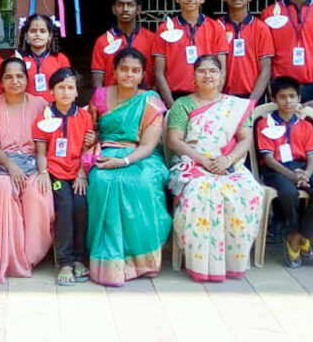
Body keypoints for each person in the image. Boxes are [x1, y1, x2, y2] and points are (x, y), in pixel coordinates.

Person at [165, 55, 263, 282]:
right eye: (202, 71)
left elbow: (245, 139)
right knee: (202, 191)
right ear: (194, 76)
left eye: (213, 71)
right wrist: (203, 160)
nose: (207, 75)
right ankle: (201, 261)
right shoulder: (183, 104)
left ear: (222, 76)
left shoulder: (236, 106)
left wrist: (227, 160)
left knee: (248, 190)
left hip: (229, 165)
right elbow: (175, 141)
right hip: (193, 164)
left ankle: (232, 260)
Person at [87, 48, 172, 286]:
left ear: (143, 74)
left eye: (135, 71)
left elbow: (148, 144)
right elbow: (90, 130)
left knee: (140, 183)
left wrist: (123, 161)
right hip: (105, 151)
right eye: (124, 69)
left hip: (142, 157)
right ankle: (107, 259)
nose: (129, 75)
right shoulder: (100, 96)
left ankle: (143, 260)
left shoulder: (151, 100)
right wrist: (90, 140)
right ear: (114, 70)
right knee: (101, 181)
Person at [0, 58, 53, 283]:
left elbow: (47, 143)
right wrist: (10, 166)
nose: (14, 81)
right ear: (0, 82)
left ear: (27, 79)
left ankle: (30, 255)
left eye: (19, 76)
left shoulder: (41, 105)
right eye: (9, 77)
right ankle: (5, 257)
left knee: (37, 191)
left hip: (34, 164)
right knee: (3, 187)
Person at [256, 76, 313, 268]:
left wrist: (305, 174)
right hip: (277, 169)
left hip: (302, 166)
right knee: (289, 193)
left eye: (292, 96)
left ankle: (298, 235)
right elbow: (269, 159)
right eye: (282, 97)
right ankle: (297, 235)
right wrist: (293, 177)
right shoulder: (265, 124)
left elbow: (312, 157)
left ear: (299, 98)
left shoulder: (305, 125)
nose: (288, 101)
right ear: (274, 99)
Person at [34, 68, 95, 286]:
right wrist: (43, 173)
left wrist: (81, 174)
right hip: (55, 174)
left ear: (78, 92)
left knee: (81, 206)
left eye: (70, 88)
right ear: (51, 91)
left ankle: (80, 258)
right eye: (61, 87)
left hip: (77, 174)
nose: (66, 92)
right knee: (66, 206)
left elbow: (88, 149)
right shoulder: (44, 117)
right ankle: (65, 262)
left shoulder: (85, 117)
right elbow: (41, 152)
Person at [153, 0, 228, 106]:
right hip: (175, 97)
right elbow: (159, 72)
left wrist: (213, 102)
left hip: (208, 96)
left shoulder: (216, 28)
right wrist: (172, 105)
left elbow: (222, 69)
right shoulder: (164, 29)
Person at [219, 0, 273, 101]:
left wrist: (251, 102)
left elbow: (266, 69)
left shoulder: (261, 28)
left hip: (253, 97)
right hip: (222, 98)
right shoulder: (217, 27)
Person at [90, 0, 157, 90]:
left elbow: (156, 76)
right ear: (114, 9)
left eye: (130, 5)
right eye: (120, 5)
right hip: (113, 101)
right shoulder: (102, 41)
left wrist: (149, 99)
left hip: (143, 100)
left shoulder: (152, 39)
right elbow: (97, 81)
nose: (125, 9)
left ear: (138, 9)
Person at [15, 14, 70, 103]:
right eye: (33, 31)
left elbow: (68, 86)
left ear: (50, 36)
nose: (37, 34)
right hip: (24, 109)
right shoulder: (17, 59)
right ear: (26, 36)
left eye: (42, 31)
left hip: (54, 109)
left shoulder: (60, 59)